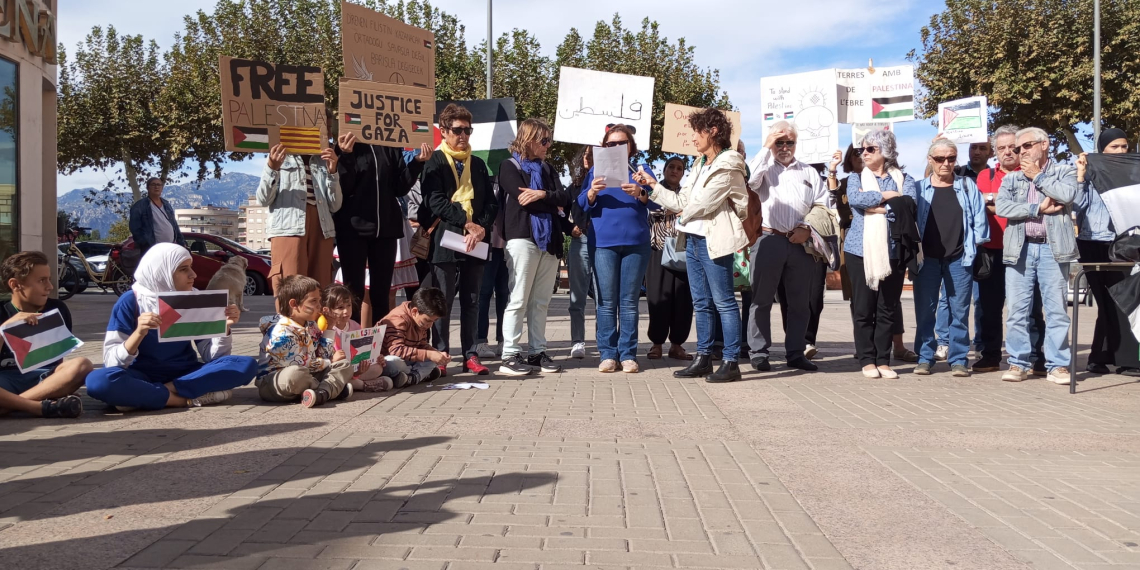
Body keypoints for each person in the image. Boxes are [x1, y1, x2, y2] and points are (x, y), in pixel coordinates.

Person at [639, 109, 749, 382]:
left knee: (724, 302)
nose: (693, 138)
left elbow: (702, 204)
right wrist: (653, 185)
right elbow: (680, 200)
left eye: (697, 132)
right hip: (692, 239)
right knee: (701, 302)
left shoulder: (729, 162)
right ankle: (703, 358)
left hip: (714, 240)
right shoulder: (700, 164)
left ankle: (731, 361)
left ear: (713, 131)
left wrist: (680, 214)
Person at [85, 243, 256, 411]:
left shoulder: (194, 298)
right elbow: (112, 362)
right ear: (162, 272)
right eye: (183, 269)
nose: (193, 274)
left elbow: (213, 357)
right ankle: (182, 400)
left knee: (246, 364)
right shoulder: (132, 301)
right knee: (98, 381)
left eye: (191, 267)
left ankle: (153, 394)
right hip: (140, 375)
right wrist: (139, 333)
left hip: (185, 374)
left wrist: (224, 329)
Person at [418, 104, 499, 376]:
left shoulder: (478, 164)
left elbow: (491, 203)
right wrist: (466, 222)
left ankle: (471, 354)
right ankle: (441, 355)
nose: (463, 135)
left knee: (472, 299)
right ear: (443, 131)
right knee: (442, 301)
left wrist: (481, 227)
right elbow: (435, 200)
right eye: (457, 130)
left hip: (476, 240)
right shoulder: (435, 161)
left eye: (467, 130)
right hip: (446, 239)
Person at [995, 127, 1079, 384]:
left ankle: (1057, 366)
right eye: (1018, 148)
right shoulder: (1012, 179)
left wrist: (1038, 176)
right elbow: (1002, 207)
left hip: (1053, 249)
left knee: (1056, 311)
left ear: (1044, 144)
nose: (1021, 151)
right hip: (1020, 249)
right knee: (1016, 311)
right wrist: (1036, 208)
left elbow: (1068, 195)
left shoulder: (1064, 171)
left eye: (1026, 145)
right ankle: (1018, 363)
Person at [744, 120, 828, 372]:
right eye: (778, 142)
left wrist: (807, 229)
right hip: (769, 239)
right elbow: (749, 181)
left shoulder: (809, 172)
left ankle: (796, 352)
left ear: (796, 143)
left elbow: (823, 205)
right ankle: (759, 352)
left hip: (801, 243)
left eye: (789, 142)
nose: (784, 147)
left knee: (800, 303)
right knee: (761, 300)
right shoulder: (764, 168)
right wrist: (765, 147)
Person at [577, 124, 655, 373]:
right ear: (604, 147)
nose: (616, 147)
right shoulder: (596, 171)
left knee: (629, 302)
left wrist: (641, 192)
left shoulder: (641, 170)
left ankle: (628, 354)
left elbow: (657, 201)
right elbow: (581, 204)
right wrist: (592, 192)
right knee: (606, 302)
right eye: (611, 144)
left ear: (631, 146)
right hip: (603, 243)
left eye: (622, 143)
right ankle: (608, 354)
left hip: (636, 243)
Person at [496, 119, 570, 376]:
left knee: (540, 301)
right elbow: (522, 199)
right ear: (528, 140)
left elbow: (565, 198)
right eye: (544, 141)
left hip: (549, 240)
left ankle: (537, 352)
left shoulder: (548, 168)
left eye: (549, 140)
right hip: (522, 237)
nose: (548, 146)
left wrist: (542, 194)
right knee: (518, 298)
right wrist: (550, 201)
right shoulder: (509, 166)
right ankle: (509, 355)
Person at [843, 130, 919, 378]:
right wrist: (887, 197)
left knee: (887, 307)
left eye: (870, 149)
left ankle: (883, 361)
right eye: (861, 149)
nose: (863, 153)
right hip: (860, 251)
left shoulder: (904, 178)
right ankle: (867, 359)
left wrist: (877, 208)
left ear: (885, 151)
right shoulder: (855, 177)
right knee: (864, 307)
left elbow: (908, 206)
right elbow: (856, 199)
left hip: (894, 250)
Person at [912, 138, 989, 377]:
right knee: (925, 311)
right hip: (926, 259)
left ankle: (958, 359)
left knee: (959, 311)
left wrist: (975, 245)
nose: (945, 163)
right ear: (930, 160)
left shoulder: (967, 186)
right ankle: (925, 357)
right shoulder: (918, 188)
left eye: (951, 158)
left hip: (960, 258)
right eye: (939, 158)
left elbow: (979, 220)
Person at [334, 133, 430, 322]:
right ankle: (351, 336)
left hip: (386, 229)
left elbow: (400, 188)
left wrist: (417, 162)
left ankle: (382, 338)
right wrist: (345, 155)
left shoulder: (389, 144)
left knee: (382, 293)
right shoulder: (347, 143)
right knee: (353, 292)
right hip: (354, 229)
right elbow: (344, 186)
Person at [0, 252, 91, 418]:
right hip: (5, 381)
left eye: (49, 279)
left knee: (82, 365)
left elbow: (58, 358)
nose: (50, 287)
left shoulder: (57, 309)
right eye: (42, 280)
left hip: (44, 380)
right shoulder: (2, 311)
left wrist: (62, 383)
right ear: (15, 284)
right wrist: (5, 328)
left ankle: (13, 406)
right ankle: (40, 407)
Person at [1075, 127, 1136, 375]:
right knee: (1104, 303)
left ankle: (1122, 359)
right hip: (1092, 244)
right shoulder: (1090, 172)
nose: (1120, 151)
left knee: (1123, 302)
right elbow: (1076, 207)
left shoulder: (1132, 173)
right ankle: (1101, 357)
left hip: (1124, 244)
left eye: (1124, 146)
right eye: (1114, 147)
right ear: (1102, 150)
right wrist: (1081, 176)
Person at [257, 140, 344, 291]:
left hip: (322, 228)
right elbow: (263, 199)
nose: (329, 134)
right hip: (288, 228)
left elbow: (335, 205)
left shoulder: (324, 158)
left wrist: (332, 172)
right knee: (291, 287)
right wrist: (272, 167)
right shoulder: (280, 155)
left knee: (321, 287)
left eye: (329, 130)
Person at [256, 275, 354, 407]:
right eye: (314, 301)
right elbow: (301, 364)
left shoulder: (311, 324)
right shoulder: (281, 332)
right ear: (294, 304)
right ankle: (329, 390)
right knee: (295, 374)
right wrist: (330, 361)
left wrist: (329, 327)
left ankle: (320, 393)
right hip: (276, 382)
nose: (319, 306)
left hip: (309, 374)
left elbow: (323, 355)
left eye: (319, 300)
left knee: (344, 365)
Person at [645, 156, 694, 362]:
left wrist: (681, 209)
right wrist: (677, 209)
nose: (675, 171)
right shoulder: (653, 191)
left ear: (683, 173)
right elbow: (652, 210)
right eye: (671, 167)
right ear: (664, 170)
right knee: (658, 299)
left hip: (682, 251)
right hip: (657, 251)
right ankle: (656, 344)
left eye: (679, 168)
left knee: (683, 301)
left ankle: (677, 345)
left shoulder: (688, 193)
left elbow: (691, 212)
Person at [320, 284, 393, 392]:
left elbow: (362, 351)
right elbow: (322, 358)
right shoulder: (325, 329)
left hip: (355, 369)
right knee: (337, 373)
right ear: (327, 310)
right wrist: (333, 360)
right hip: (336, 369)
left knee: (378, 368)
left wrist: (375, 358)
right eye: (340, 308)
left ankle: (353, 383)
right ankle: (363, 385)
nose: (346, 311)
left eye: (348, 305)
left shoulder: (355, 325)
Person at [474, 167, 510, 361]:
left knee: (504, 294)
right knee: (484, 293)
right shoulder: (481, 179)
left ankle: (503, 340)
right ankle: (480, 340)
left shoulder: (510, 179)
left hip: (507, 244)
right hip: (486, 243)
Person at [380, 287, 450, 387]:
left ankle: (410, 377)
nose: (430, 325)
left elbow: (421, 344)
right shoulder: (397, 319)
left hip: (407, 358)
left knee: (432, 360)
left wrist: (437, 354)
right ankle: (418, 374)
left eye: (434, 321)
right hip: (385, 360)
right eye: (427, 321)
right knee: (393, 362)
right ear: (414, 311)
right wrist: (429, 354)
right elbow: (396, 351)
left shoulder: (420, 320)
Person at [566, 146, 595, 360]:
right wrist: (569, 228)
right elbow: (560, 211)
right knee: (577, 298)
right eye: (585, 154)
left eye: (591, 154)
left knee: (605, 298)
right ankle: (578, 341)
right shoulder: (575, 186)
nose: (587, 158)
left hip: (603, 242)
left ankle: (605, 341)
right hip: (581, 241)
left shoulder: (609, 184)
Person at [129, 177, 186, 254]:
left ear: (162, 188)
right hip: (151, 250)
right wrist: (145, 243)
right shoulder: (139, 206)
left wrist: (181, 243)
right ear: (148, 187)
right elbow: (135, 228)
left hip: (170, 248)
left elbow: (174, 225)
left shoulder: (166, 204)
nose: (156, 187)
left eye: (159, 185)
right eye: (153, 184)